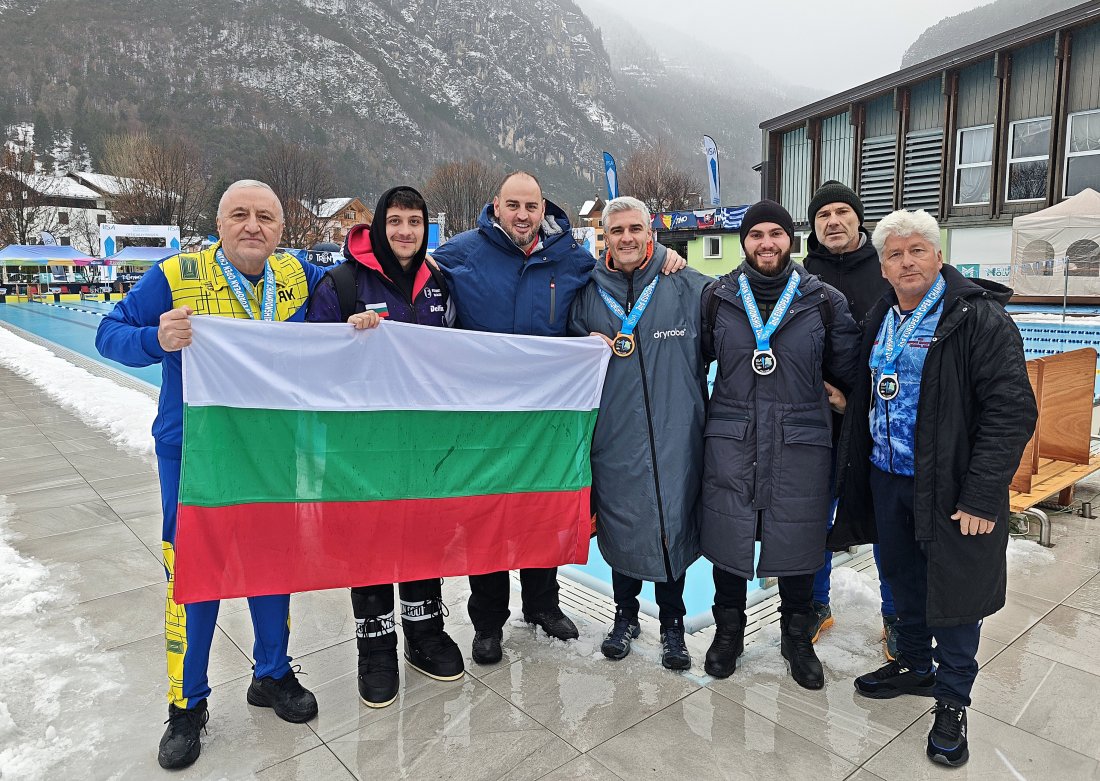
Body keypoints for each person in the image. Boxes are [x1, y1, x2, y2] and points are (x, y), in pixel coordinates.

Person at [96, 180, 323, 770]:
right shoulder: (175, 275)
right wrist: (154, 337)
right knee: (196, 573)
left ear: (280, 228)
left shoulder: (298, 276)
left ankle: (271, 673)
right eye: (240, 215)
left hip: (271, 450)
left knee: (272, 562)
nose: (254, 226)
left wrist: (361, 320)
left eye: (266, 217)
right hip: (194, 451)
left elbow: (348, 296)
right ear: (219, 224)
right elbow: (107, 332)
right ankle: (186, 704)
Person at [432, 171, 685, 665]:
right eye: (513, 205)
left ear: (542, 207)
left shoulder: (571, 258)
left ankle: (543, 604)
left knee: (541, 510)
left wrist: (665, 257)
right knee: (488, 516)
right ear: (496, 206)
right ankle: (488, 622)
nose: (523, 215)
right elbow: (410, 278)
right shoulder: (461, 252)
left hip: (547, 414)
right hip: (486, 415)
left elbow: (620, 273)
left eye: (531, 205)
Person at [831, 209, 1036, 767]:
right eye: (895, 254)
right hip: (887, 477)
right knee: (903, 579)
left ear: (939, 256)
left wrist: (981, 494)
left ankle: (952, 700)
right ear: (883, 267)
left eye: (917, 250)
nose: (907, 261)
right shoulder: (880, 316)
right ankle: (916, 665)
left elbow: (1011, 411)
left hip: (951, 488)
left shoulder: (977, 319)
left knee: (955, 593)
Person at [305, 186, 464, 708]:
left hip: (421, 442)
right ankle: (374, 644)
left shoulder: (438, 282)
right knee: (368, 540)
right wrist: (347, 337)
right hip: (363, 445)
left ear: (425, 228)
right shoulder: (343, 283)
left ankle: (423, 634)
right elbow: (312, 359)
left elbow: (456, 355)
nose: (404, 232)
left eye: (414, 221)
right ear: (378, 226)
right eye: (394, 221)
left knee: (421, 532)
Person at [699, 200, 860, 690]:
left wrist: (844, 401)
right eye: (756, 235)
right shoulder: (718, 297)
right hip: (733, 437)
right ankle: (728, 634)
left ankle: (796, 637)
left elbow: (852, 368)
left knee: (797, 541)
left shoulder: (822, 300)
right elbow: (695, 359)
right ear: (743, 242)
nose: (766, 243)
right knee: (729, 542)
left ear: (790, 239)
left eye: (775, 233)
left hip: (801, 442)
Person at [567, 196, 709, 671]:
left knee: (672, 527)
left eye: (635, 229)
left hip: (676, 435)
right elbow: (558, 353)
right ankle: (624, 616)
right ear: (603, 237)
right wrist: (578, 345)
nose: (626, 238)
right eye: (616, 230)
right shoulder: (585, 293)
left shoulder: (686, 286)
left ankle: (672, 625)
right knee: (622, 524)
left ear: (652, 233)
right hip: (616, 437)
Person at [803, 180, 898, 658]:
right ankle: (816, 604)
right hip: (821, 426)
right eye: (823, 215)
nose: (833, 222)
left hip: (878, 423)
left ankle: (897, 614)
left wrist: (856, 400)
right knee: (814, 521)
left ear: (860, 219)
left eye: (842, 212)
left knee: (883, 523)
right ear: (814, 225)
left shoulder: (885, 272)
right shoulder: (802, 275)